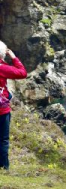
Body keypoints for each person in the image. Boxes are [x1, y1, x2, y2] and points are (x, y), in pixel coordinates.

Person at [0, 41, 27, 170]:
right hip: (1, 110)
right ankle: (4, 165)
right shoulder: (1, 68)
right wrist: (14, 57)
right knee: (3, 138)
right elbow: (22, 73)